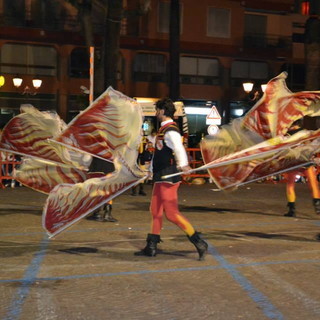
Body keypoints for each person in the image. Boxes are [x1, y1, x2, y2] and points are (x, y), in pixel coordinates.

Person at [135, 98, 208, 260]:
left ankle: (198, 241)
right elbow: (158, 154)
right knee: (155, 211)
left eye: (157, 110)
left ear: (162, 111)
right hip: (161, 175)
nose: (156, 113)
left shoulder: (171, 130)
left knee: (172, 214)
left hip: (169, 176)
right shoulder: (163, 130)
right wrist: (150, 171)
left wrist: (183, 164)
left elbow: (179, 148)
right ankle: (151, 246)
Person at [283, 119, 320, 217]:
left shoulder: (287, 135)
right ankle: (318, 208)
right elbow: (309, 146)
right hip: (305, 161)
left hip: (293, 162)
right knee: (313, 184)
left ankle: (292, 210)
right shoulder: (305, 133)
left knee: (290, 185)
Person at [86, 157, 118, 222]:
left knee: (96, 191)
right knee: (108, 191)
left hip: (95, 169)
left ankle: (96, 213)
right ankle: (107, 213)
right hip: (109, 169)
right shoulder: (112, 149)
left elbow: (86, 158)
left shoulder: (97, 148)